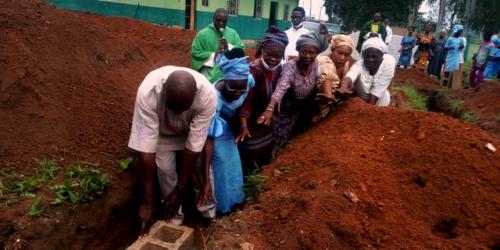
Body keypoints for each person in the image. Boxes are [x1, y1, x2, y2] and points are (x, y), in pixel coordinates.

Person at [128, 66, 217, 230]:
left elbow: (195, 146)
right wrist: (148, 202)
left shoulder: (208, 96)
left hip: (190, 131)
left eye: (182, 108)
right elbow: (146, 147)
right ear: (164, 93)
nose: (176, 112)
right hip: (161, 133)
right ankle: (174, 220)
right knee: (165, 172)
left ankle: (208, 216)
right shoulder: (148, 92)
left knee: (200, 169)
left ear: (194, 97)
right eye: (172, 106)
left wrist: (181, 189)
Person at [203, 50, 255, 214]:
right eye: (234, 89)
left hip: (230, 130)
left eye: (242, 89)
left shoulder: (248, 81)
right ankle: (222, 208)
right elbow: (209, 136)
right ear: (226, 82)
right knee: (221, 166)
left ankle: (236, 201)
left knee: (234, 165)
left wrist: (242, 122)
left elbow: (249, 96)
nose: (239, 93)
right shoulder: (214, 98)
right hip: (215, 134)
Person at [259, 33, 329, 149]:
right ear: (298, 51)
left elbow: (327, 78)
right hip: (286, 112)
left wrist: (328, 93)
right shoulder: (290, 68)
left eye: (312, 53)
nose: (307, 56)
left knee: (298, 140)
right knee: (278, 141)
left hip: (304, 109)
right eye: (304, 51)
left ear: (317, 54)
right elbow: (280, 88)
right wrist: (270, 108)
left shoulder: (317, 66)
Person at [236, 27, 288, 171]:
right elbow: (246, 102)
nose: (273, 59)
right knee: (250, 156)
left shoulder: (279, 70)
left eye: (277, 56)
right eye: (269, 55)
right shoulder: (253, 71)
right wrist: (243, 126)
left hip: (266, 122)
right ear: (262, 51)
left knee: (265, 155)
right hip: (249, 120)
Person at [337, 37, 395, 106]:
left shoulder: (389, 63)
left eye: (374, 57)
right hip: (360, 102)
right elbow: (350, 76)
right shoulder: (359, 65)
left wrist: (368, 110)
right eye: (367, 56)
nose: (370, 59)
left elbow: (378, 90)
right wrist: (343, 88)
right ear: (363, 55)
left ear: (381, 56)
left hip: (381, 103)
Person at [191, 8, 245, 83]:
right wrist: (214, 55)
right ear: (213, 18)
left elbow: (241, 50)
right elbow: (195, 52)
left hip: (229, 76)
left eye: (224, 21)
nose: (221, 23)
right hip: (209, 77)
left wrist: (228, 46)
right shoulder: (202, 34)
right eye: (218, 20)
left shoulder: (233, 33)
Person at [315, 34, 356, 119]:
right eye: (339, 53)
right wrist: (328, 94)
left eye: (346, 55)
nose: (342, 58)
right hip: (318, 105)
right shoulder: (324, 61)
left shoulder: (347, 64)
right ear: (333, 50)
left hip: (337, 105)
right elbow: (327, 78)